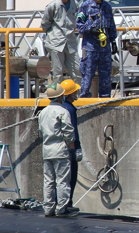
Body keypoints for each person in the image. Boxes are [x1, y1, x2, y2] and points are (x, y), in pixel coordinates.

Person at [39, 82, 78, 217]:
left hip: (47, 150)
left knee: (48, 180)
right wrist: (73, 149)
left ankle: (48, 208)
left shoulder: (43, 112)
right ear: (61, 96)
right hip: (61, 150)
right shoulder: (63, 111)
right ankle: (61, 209)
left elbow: (40, 133)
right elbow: (69, 133)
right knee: (62, 180)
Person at [76, 0, 117, 98]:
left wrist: (113, 41)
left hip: (105, 48)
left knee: (105, 76)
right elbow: (79, 26)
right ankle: (84, 99)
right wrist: (91, 30)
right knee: (87, 75)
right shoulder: (85, 6)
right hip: (90, 48)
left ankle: (105, 99)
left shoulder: (107, 7)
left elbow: (112, 25)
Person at [41, 0, 80, 83]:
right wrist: (54, 34)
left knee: (77, 71)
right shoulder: (52, 6)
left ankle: (78, 96)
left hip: (70, 43)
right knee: (57, 73)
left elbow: (78, 18)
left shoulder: (75, 4)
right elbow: (45, 24)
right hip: (56, 43)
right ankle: (57, 97)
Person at [59, 78, 83, 207]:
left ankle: (58, 203)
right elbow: (72, 131)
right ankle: (67, 204)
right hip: (69, 148)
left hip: (57, 148)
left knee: (58, 179)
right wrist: (75, 149)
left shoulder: (59, 107)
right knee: (70, 178)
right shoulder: (70, 109)